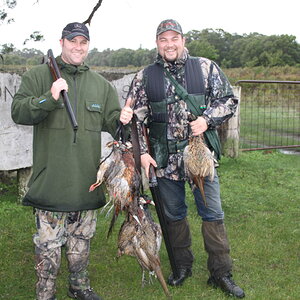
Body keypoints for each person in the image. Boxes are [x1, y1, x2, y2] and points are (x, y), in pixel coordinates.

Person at [11, 22, 132, 300]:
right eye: (72, 41)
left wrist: (124, 119)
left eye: (83, 42)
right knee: (48, 246)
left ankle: (79, 288)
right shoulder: (39, 76)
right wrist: (49, 98)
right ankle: (46, 293)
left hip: (86, 182)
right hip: (50, 181)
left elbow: (115, 126)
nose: (78, 47)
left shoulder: (100, 85)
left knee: (81, 241)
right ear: (62, 42)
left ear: (88, 46)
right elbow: (18, 112)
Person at [125, 19, 245, 298]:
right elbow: (135, 119)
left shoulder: (206, 68)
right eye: (163, 39)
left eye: (174, 38)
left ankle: (221, 274)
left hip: (199, 157)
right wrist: (142, 153)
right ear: (157, 43)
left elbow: (228, 100)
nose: (169, 44)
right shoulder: (145, 76)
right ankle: (181, 267)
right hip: (164, 160)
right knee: (173, 215)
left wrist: (207, 120)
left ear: (183, 40)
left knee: (212, 214)